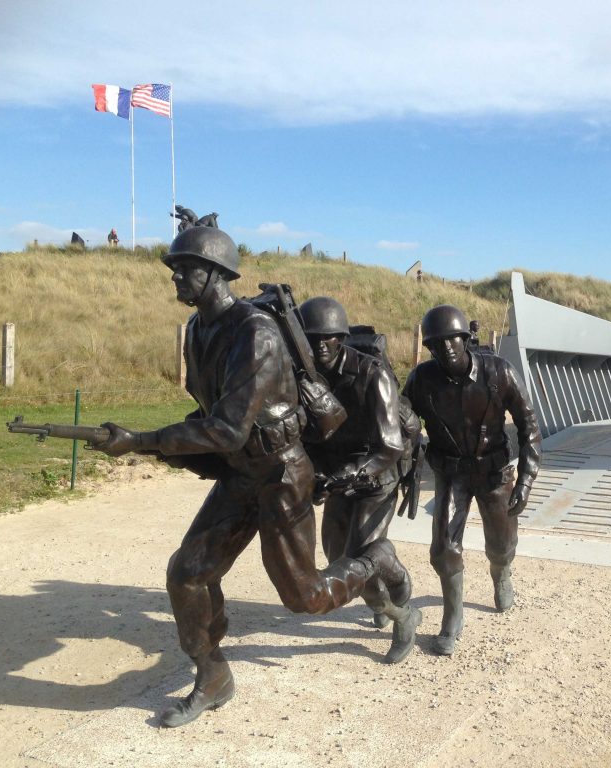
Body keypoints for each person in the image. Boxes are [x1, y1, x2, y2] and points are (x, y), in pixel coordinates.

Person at [93, 227, 418, 728]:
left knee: (304, 597)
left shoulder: (256, 333)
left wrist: (142, 440)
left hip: (281, 474)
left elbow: (224, 427)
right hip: (240, 471)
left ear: (217, 274)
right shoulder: (200, 330)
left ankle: (377, 558)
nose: (176, 276)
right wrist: (158, 447)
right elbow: (208, 411)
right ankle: (212, 675)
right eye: (174, 267)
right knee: (188, 573)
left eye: (186, 268)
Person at [402, 304, 542, 656]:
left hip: (494, 472)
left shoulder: (499, 372)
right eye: (437, 343)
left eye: (452, 340)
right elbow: (402, 421)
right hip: (450, 473)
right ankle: (453, 616)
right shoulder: (422, 380)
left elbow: (529, 426)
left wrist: (525, 480)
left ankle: (502, 573)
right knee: (444, 549)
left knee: (501, 543)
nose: (446, 348)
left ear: (465, 338)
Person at [298, 296, 421, 647]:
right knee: (337, 557)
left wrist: (349, 475)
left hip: (376, 474)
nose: (321, 344)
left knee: (354, 566)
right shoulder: (306, 377)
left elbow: (391, 446)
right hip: (337, 476)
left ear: (342, 337)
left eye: (329, 336)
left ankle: (404, 613)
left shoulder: (372, 374)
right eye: (313, 337)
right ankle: (384, 577)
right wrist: (317, 478)